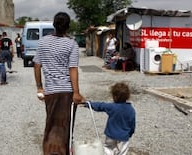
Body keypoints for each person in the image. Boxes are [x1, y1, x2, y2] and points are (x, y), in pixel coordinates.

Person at [33, 12, 84, 155]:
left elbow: (37, 65)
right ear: (68, 26)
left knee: (51, 125)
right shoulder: (71, 44)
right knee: (65, 127)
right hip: (66, 93)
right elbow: (72, 68)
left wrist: (39, 87)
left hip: (50, 92)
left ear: (54, 25)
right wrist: (76, 92)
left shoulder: (43, 42)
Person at [82, 82, 136, 155]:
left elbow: (100, 106)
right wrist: (130, 133)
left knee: (108, 150)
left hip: (111, 135)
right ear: (128, 96)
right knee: (122, 152)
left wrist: (88, 104)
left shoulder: (112, 107)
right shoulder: (131, 110)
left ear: (115, 97)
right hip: (124, 137)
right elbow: (132, 124)